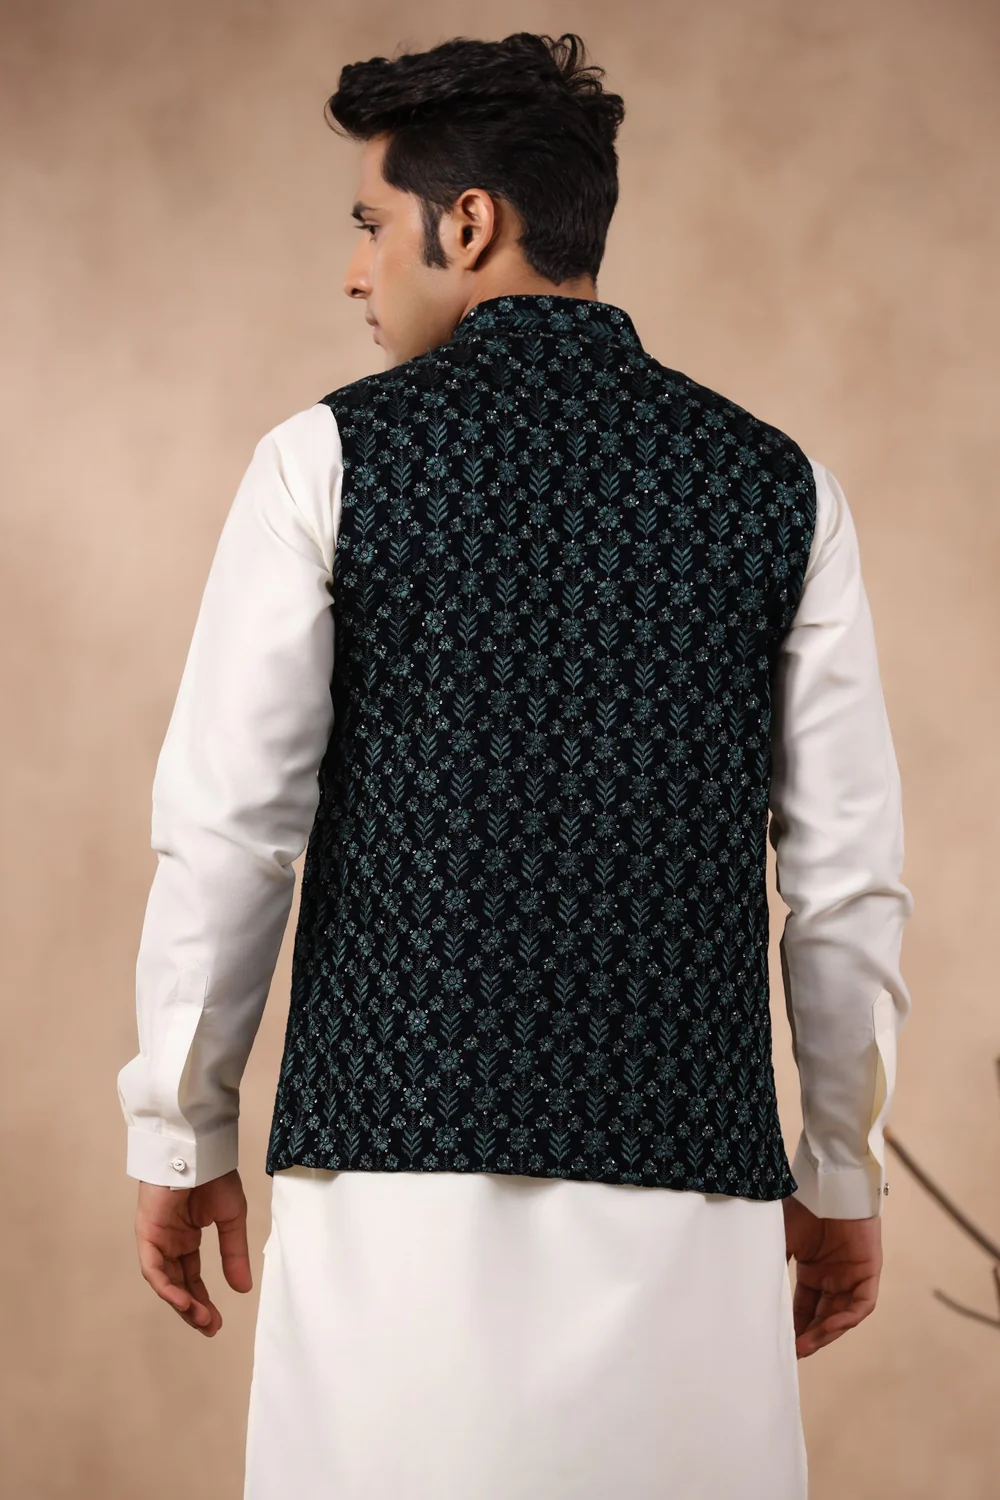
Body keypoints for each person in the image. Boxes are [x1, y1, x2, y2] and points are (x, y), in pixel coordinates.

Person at [117, 31, 914, 1500]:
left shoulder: (326, 461)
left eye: (370, 223)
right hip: (689, 1196)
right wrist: (841, 1170)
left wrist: (183, 1127)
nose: (355, 271)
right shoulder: (778, 485)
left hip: (388, 1186)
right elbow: (849, 882)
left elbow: (231, 835)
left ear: (468, 222)